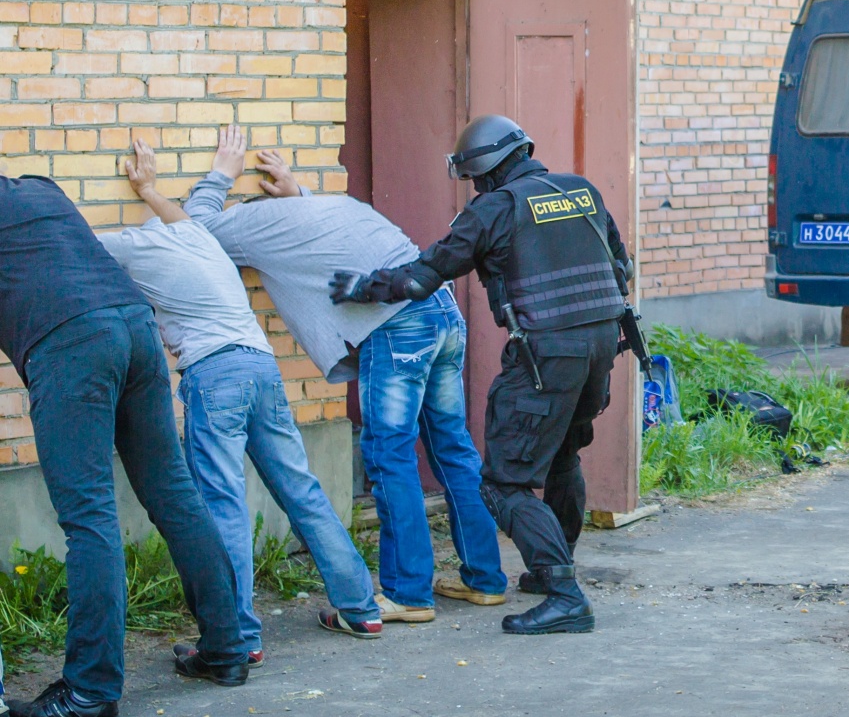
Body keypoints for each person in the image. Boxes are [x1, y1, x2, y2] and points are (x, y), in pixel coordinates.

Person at [182, 126, 507, 623]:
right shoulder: (330, 207)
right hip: (441, 313)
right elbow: (319, 238)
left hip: (398, 326)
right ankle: (484, 579)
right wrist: (296, 190)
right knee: (453, 448)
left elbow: (194, 230)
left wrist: (220, 176)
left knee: (390, 456)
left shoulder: (251, 224)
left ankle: (409, 595)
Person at [330, 114, 630, 635]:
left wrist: (364, 288)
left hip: (546, 356)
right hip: (604, 344)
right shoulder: (582, 191)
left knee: (502, 483)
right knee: (563, 457)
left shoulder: (495, 208)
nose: (474, 187)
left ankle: (565, 596)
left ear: (486, 170)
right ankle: (552, 572)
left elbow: (422, 279)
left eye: (473, 177)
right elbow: (620, 269)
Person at [96, 141, 383, 663]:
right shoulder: (197, 237)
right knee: (301, 490)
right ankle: (361, 608)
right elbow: (181, 216)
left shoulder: (133, 246)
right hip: (260, 365)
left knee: (222, 503)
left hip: (214, 375)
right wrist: (153, 189)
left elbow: (73, 244)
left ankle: (241, 637)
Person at [0, 171, 247, 717]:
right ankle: (227, 649)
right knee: (174, 493)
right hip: (134, 325)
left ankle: (90, 692)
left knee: (88, 517)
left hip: (70, 343)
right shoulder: (40, 187)